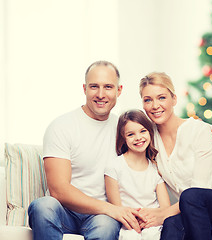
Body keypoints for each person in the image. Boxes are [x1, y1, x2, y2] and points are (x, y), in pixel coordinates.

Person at [28, 61, 145, 240]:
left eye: (108, 87)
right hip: (64, 212)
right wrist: (112, 209)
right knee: (42, 206)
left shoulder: (124, 129)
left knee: (105, 227)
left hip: (101, 218)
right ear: (84, 88)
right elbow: (58, 190)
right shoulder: (61, 126)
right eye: (94, 86)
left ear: (119, 90)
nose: (100, 94)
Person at [137, 72, 212, 240]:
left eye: (161, 98)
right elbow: (126, 131)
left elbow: (200, 188)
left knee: (190, 195)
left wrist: (162, 213)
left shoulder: (198, 131)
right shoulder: (149, 140)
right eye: (148, 100)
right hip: (195, 209)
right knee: (171, 224)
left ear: (174, 99)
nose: (155, 105)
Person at [105, 109, 171, 240]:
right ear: (123, 138)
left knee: (152, 234)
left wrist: (149, 218)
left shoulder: (155, 168)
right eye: (131, 134)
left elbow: (165, 208)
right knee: (130, 236)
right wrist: (134, 220)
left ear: (150, 132)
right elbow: (117, 208)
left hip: (153, 223)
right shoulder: (114, 167)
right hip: (127, 223)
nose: (138, 138)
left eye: (143, 131)